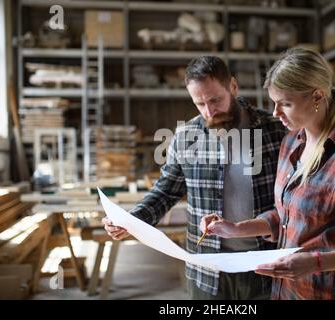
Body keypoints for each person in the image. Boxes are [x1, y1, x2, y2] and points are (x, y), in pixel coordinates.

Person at [201, 48, 335, 300]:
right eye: (274, 103)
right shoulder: (291, 143)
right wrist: (236, 229)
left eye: (285, 104)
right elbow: (287, 216)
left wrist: (315, 263)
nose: (276, 113)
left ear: (317, 96)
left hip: (327, 293)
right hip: (286, 290)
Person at [103, 56, 286, 299]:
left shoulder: (274, 130)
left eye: (215, 100)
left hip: (265, 263)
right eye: (199, 103)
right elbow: (166, 191)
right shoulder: (187, 136)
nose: (209, 111)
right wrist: (131, 220)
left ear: (233, 86)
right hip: (207, 268)